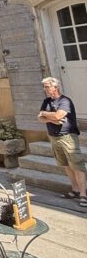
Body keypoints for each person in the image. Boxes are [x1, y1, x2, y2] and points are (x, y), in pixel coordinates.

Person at [38, 76, 87, 208]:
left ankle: (83, 194)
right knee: (66, 165)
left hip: (68, 137)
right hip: (54, 137)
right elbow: (39, 118)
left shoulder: (65, 101)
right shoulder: (46, 101)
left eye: (47, 86)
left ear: (56, 87)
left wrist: (45, 114)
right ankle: (75, 190)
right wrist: (51, 119)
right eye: (44, 87)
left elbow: (58, 115)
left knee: (77, 165)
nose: (45, 89)